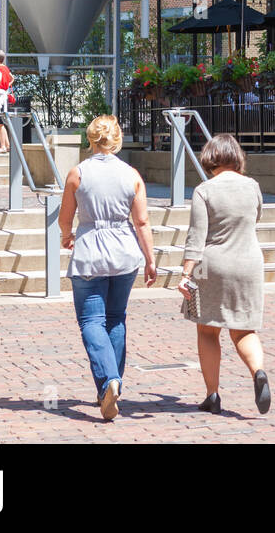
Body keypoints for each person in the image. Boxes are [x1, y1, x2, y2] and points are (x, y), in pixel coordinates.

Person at [59, 115, 157, 422]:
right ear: (117, 140)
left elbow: (65, 216)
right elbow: (141, 221)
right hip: (124, 250)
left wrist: (66, 235)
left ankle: (108, 381)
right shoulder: (131, 175)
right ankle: (111, 383)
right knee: (116, 318)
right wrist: (150, 258)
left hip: (90, 249)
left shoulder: (78, 173)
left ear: (90, 139)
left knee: (91, 319)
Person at [178, 134, 271, 416]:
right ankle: (258, 372)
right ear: (237, 157)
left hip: (214, 265)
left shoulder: (204, 190)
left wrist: (185, 274)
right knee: (244, 329)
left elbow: (197, 236)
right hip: (249, 262)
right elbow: (257, 218)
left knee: (208, 329)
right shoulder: (252, 186)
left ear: (210, 159)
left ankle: (213, 395)